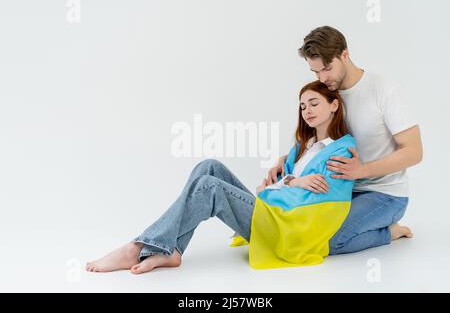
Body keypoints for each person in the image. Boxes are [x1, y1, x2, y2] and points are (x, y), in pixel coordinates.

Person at [86, 80, 351, 274]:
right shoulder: (301, 147)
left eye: (314, 103)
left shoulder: (342, 150)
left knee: (209, 187)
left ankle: (140, 246)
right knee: (208, 166)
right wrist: (286, 182)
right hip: (271, 214)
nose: (307, 110)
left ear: (334, 105)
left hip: (285, 230)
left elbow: (314, 199)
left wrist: (284, 184)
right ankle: (173, 250)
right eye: (303, 106)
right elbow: (282, 185)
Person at [267, 26, 422, 255]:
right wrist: (287, 158)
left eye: (327, 69)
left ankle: (390, 232)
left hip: (384, 194)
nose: (323, 78)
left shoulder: (383, 90)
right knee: (302, 232)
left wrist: (362, 170)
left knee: (327, 242)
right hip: (340, 190)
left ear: (345, 55)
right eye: (316, 72)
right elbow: (320, 138)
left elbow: (414, 152)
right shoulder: (330, 93)